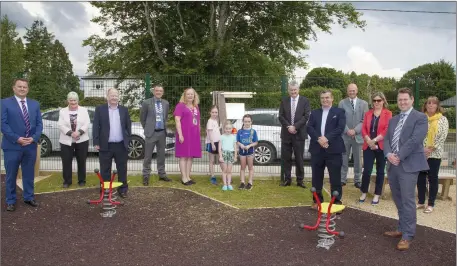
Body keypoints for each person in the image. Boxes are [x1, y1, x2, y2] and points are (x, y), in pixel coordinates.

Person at [383, 88, 429, 251]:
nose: (402, 102)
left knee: (408, 200)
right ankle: (401, 228)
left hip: (408, 165)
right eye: (400, 100)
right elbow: (387, 138)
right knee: (398, 198)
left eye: (405, 99)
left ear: (412, 100)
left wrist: (399, 156)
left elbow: (415, 140)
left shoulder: (421, 117)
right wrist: (388, 154)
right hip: (393, 164)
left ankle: (408, 235)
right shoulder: (393, 119)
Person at [1, 78, 43, 211]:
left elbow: (39, 124)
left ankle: (29, 197)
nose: (22, 89)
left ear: (28, 89)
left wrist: (34, 138)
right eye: (19, 86)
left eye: (25, 87)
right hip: (12, 146)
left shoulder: (35, 104)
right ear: (14, 88)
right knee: (11, 175)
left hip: (30, 146)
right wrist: (16, 138)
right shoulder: (4, 103)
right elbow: (3, 124)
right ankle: (11, 200)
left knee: (29, 173)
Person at [306, 89, 346, 208]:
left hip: (334, 149)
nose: (325, 100)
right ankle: (317, 201)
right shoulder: (314, 113)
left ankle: (336, 202)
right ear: (320, 100)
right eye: (323, 98)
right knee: (316, 176)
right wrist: (319, 139)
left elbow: (340, 128)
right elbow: (309, 128)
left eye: (327, 97)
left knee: (335, 177)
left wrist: (326, 138)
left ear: (332, 98)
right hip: (317, 149)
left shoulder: (339, 112)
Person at [93, 88, 132, 198]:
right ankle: (105, 189)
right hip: (105, 145)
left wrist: (127, 139)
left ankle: (123, 189)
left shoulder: (124, 109)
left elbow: (128, 126)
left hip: (121, 145)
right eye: (112, 95)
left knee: (122, 168)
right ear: (107, 97)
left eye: (116, 95)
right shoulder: (100, 109)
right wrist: (96, 141)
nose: (114, 97)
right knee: (105, 168)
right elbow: (96, 126)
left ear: (118, 97)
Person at [416, 96, 449, 213]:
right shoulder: (420, 118)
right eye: (428, 103)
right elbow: (416, 135)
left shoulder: (443, 120)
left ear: (437, 106)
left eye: (433, 103)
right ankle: (420, 202)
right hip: (420, 153)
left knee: (432, 178)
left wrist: (430, 149)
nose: (430, 105)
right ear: (425, 105)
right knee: (420, 178)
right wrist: (422, 149)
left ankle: (431, 204)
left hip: (435, 154)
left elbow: (442, 137)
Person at [359, 92, 392, 204]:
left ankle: (377, 194)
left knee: (380, 171)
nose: (376, 103)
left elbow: (387, 129)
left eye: (379, 100)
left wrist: (375, 140)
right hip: (368, 145)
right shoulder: (368, 113)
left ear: (383, 101)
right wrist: (368, 140)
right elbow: (363, 129)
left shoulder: (388, 113)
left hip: (381, 146)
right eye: (374, 101)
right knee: (367, 170)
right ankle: (364, 192)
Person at [278, 81, 311, 188]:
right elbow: (281, 116)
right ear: (288, 90)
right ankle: (287, 180)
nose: (293, 92)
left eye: (295, 90)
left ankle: (300, 181)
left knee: (299, 158)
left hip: (299, 134)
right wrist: (289, 126)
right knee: (286, 158)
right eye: (291, 90)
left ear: (298, 90)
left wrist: (295, 126)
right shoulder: (284, 101)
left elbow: (306, 116)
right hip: (286, 134)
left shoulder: (305, 101)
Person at [58, 91, 91, 188]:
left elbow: (87, 123)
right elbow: (61, 124)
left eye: (75, 100)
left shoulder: (84, 110)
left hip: (82, 140)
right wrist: (71, 133)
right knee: (66, 161)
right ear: (67, 101)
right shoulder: (62, 111)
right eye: (71, 100)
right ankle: (67, 181)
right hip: (66, 140)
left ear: (78, 100)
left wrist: (79, 132)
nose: (73, 102)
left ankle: (81, 180)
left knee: (81, 161)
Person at [140, 85, 171, 186]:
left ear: (163, 92)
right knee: (148, 156)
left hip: (162, 133)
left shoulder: (166, 103)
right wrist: (147, 128)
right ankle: (145, 175)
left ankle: (162, 174)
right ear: (153, 92)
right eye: (157, 91)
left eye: (160, 91)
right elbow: (142, 118)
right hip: (151, 133)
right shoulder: (146, 103)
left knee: (161, 155)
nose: (158, 92)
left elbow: (165, 117)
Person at [338, 83, 369, 188]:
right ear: (347, 91)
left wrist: (355, 130)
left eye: (353, 90)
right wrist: (347, 130)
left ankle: (357, 180)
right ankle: (342, 179)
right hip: (345, 136)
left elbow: (364, 120)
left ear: (357, 91)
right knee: (343, 159)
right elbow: (340, 118)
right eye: (350, 90)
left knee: (358, 160)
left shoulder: (364, 104)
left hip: (358, 136)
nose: (352, 92)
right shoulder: (342, 103)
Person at [174, 87, 202, 185]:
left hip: (194, 135)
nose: (190, 96)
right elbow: (177, 120)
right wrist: (180, 134)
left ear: (195, 96)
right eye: (188, 94)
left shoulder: (196, 106)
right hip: (184, 134)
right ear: (185, 95)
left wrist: (199, 130)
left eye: (192, 94)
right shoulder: (180, 106)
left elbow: (198, 120)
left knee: (190, 156)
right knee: (184, 156)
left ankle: (188, 177)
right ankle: (184, 178)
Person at [237, 114, 259, 190]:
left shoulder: (253, 131)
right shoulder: (240, 131)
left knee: (250, 167)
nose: (247, 123)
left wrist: (249, 146)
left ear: (251, 122)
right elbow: (237, 142)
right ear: (243, 121)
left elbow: (256, 142)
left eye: (248, 121)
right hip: (242, 152)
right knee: (242, 167)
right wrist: (241, 145)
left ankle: (250, 183)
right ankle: (242, 182)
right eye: (245, 121)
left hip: (250, 152)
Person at [218, 121, 238, 191]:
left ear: (232, 129)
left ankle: (229, 184)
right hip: (224, 154)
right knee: (224, 170)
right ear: (224, 129)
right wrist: (220, 156)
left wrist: (235, 156)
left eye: (229, 128)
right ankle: (224, 185)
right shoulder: (221, 137)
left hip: (231, 154)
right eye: (226, 128)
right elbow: (219, 148)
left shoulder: (233, 137)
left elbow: (235, 148)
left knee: (229, 171)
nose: (228, 130)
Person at [205, 105, 221, 185]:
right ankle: (212, 177)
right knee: (212, 161)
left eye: (216, 112)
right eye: (213, 112)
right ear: (210, 113)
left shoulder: (216, 121)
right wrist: (212, 144)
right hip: (212, 143)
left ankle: (225, 175)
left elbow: (216, 131)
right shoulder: (210, 121)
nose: (215, 114)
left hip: (218, 142)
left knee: (220, 159)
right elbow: (210, 133)